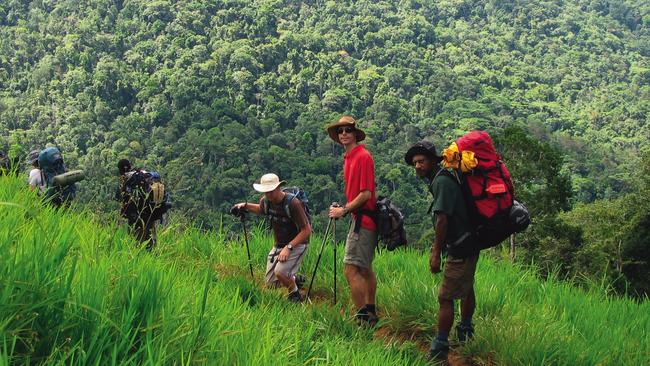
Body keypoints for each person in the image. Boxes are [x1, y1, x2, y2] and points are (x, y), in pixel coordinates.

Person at [404, 141, 480, 362]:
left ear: (433, 161)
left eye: (421, 161)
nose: (417, 166)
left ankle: (439, 350)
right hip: (469, 241)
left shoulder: (442, 182)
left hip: (460, 245)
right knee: (466, 287)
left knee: (445, 298)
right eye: (415, 163)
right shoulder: (443, 178)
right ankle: (465, 333)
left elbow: (442, 219)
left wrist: (435, 252)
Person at [326, 116, 379, 326]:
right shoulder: (348, 157)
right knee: (364, 268)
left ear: (355, 133)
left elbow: (366, 194)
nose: (344, 133)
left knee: (350, 269)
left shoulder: (362, 156)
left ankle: (362, 318)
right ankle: (371, 311)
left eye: (348, 130)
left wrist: (344, 210)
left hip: (363, 220)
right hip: (359, 218)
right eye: (341, 131)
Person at [231, 173, 311, 302]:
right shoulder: (266, 201)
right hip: (279, 244)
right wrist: (244, 206)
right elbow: (261, 209)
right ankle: (295, 279)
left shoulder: (293, 204)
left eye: (271, 191)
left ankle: (295, 294)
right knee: (271, 283)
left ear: (278, 188)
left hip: (297, 243)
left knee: (280, 272)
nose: (268, 194)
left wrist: (289, 248)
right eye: (265, 192)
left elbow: (307, 230)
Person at [118, 158, 158, 250]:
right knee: (150, 238)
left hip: (135, 215)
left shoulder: (126, 179)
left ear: (120, 170)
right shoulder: (143, 175)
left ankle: (139, 259)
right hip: (150, 212)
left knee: (135, 241)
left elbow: (121, 199)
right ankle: (153, 256)